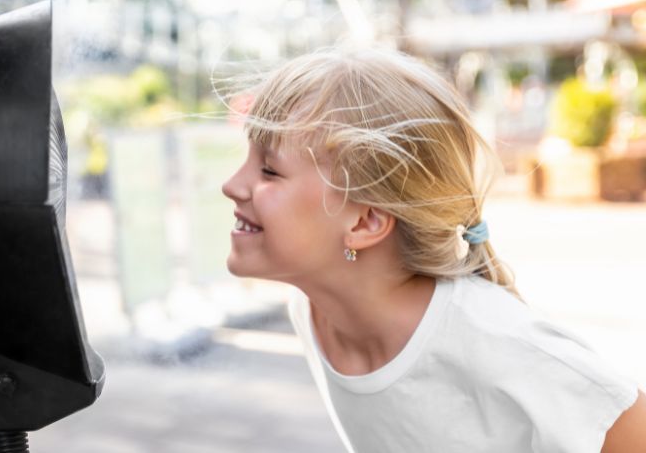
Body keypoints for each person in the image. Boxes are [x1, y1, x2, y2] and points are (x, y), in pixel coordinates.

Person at [220, 46, 646, 452]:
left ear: (366, 221)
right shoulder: (314, 311)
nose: (232, 185)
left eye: (269, 170)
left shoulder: (496, 342)